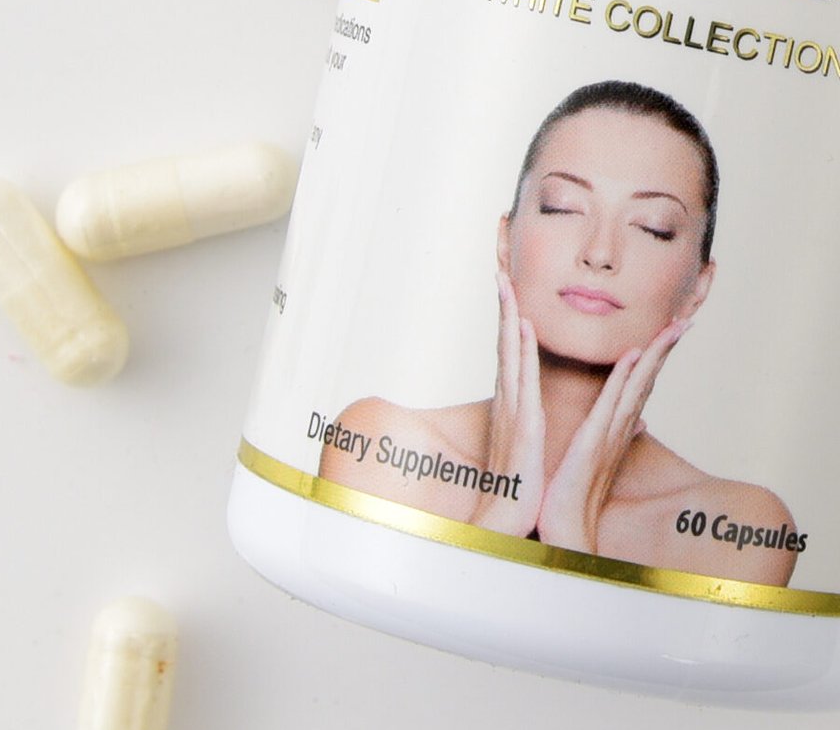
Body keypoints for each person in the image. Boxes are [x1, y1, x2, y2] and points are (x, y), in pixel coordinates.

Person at [320, 80, 799, 587]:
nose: (600, 252)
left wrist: (573, 533)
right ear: (505, 241)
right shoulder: (381, 447)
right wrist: (500, 512)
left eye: (653, 227)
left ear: (699, 286)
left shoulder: (737, 531)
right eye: (563, 206)